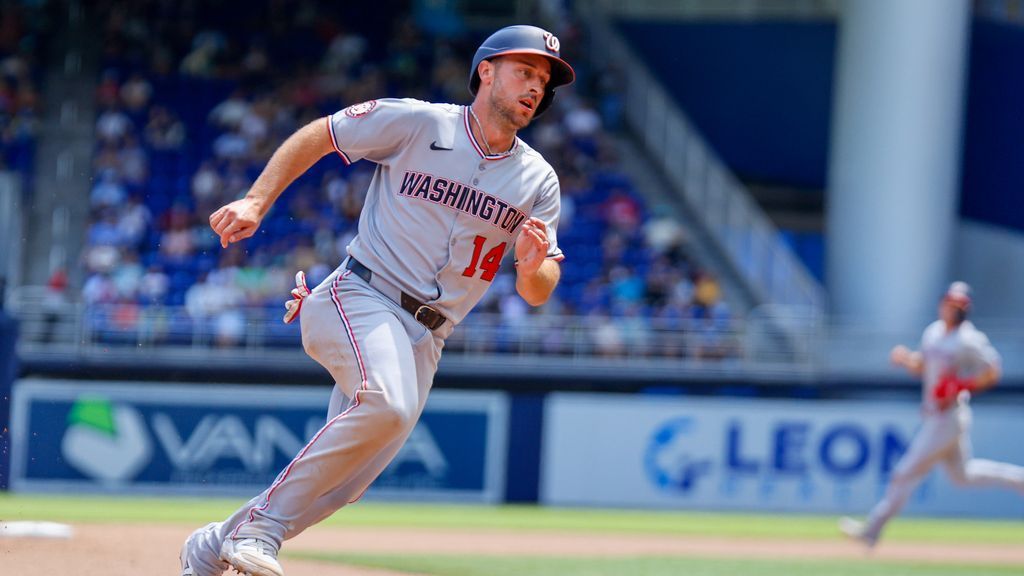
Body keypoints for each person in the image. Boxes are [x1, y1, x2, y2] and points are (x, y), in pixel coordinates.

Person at [179, 24, 574, 576]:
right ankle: (259, 531)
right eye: (524, 71)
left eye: (543, 80)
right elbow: (323, 133)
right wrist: (256, 200)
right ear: (486, 71)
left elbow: (538, 288)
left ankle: (211, 545)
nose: (535, 86)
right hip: (363, 294)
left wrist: (533, 269)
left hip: (429, 336)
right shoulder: (421, 123)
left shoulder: (538, 179)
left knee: (344, 485)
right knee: (387, 405)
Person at [839, 282, 1024, 548]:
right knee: (962, 476)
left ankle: (872, 531)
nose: (952, 307)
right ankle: (1019, 479)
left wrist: (961, 385)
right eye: (950, 302)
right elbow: (922, 367)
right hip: (936, 415)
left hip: (948, 416)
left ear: (966, 308)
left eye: (959, 304)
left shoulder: (969, 339)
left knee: (903, 473)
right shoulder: (934, 332)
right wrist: (906, 359)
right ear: (942, 303)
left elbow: (993, 371)